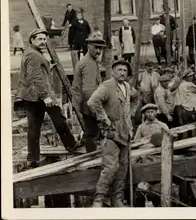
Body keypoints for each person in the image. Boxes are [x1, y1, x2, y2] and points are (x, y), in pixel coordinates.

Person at [17, 29, 81, 168]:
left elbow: (36, 72)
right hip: (41, 95)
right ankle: (71, 145)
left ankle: (33, 158)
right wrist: (46, 97)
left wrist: (48, 67)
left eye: (45, 39)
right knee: (59, 119)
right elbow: (35, 77)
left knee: (34, 128)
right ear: (32, 40)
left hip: (32, 96)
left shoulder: (31, 52)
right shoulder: (34, 55)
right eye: (39, 39)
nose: (43, 42)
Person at [87, 59, 140, 207]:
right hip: (111, 134)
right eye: (119, 70)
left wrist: (131, 114)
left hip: (126, 133)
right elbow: (92, 102)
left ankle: (117, 199)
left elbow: (136, 98)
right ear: (113, 71)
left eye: (125, 70)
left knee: (122, 169)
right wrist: (104, 118)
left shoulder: (128, 87)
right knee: (110, 168)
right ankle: (98, 199)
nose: (122, 73)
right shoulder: (107, 86)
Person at [71, 32, 106, 153]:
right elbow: (88, 90)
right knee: (92, 131)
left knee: (91, 130)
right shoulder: (88, 64)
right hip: (88, 102)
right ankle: (91, 156)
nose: (98, 51)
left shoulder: (91, 60)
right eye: (96, 47)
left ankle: (84, 144)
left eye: (100, 48)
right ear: (88, 46)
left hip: (85, 101)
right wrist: (96, 109)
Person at [171, 70, 196, 137]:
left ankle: (189, 139)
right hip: (191, 108)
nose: (191, 78)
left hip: (185, 108)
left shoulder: (180, 85)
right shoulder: (188, 84)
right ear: (186, 77)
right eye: (190, 76)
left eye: (192, 76)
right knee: (195, 126)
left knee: (188, 127)